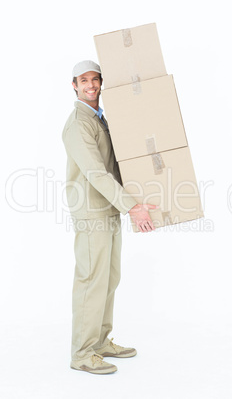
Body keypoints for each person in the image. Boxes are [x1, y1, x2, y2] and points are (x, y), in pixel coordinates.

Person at [62, 60, 157, 375]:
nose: (91, 85)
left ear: (102, 83)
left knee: (110, 277)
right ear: (74, 85)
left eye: (95, 79)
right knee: (91, 280)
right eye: (83, 80)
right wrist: (133, 206)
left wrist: (138, 198)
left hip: (109, 209)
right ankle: (82, 353)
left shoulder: (100, 119)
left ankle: (100, 342)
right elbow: (95, 172)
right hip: (92, 212)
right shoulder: (79, 123)